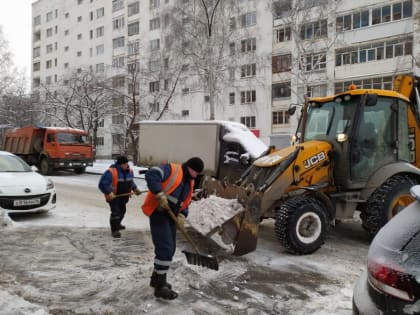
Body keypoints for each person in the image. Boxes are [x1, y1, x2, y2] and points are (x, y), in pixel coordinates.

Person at [142, 157, 204, 300]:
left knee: (170, 249)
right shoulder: (172, 170)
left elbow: (186, 201)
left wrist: (182, 215)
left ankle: (156, 278)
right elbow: (152, 174)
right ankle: (160, 287)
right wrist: (159, 193)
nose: (197, 175)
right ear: (190, 168)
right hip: (158, 213)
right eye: (196, 172)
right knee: (165, 247)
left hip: (171, 216)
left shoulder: (190, 182)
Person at [98, 155, 142, 238]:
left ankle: (117, 224)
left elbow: (130, 181)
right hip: (114, 197)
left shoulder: (130, 171)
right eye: (124, 164)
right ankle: (115, 230)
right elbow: (102, 184)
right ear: (119, 164)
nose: (126, 165)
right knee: (116, 212)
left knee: (122, 211)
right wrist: (108, 192)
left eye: (127, 164)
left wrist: (135, 189)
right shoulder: (111, 172)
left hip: (124, 196)